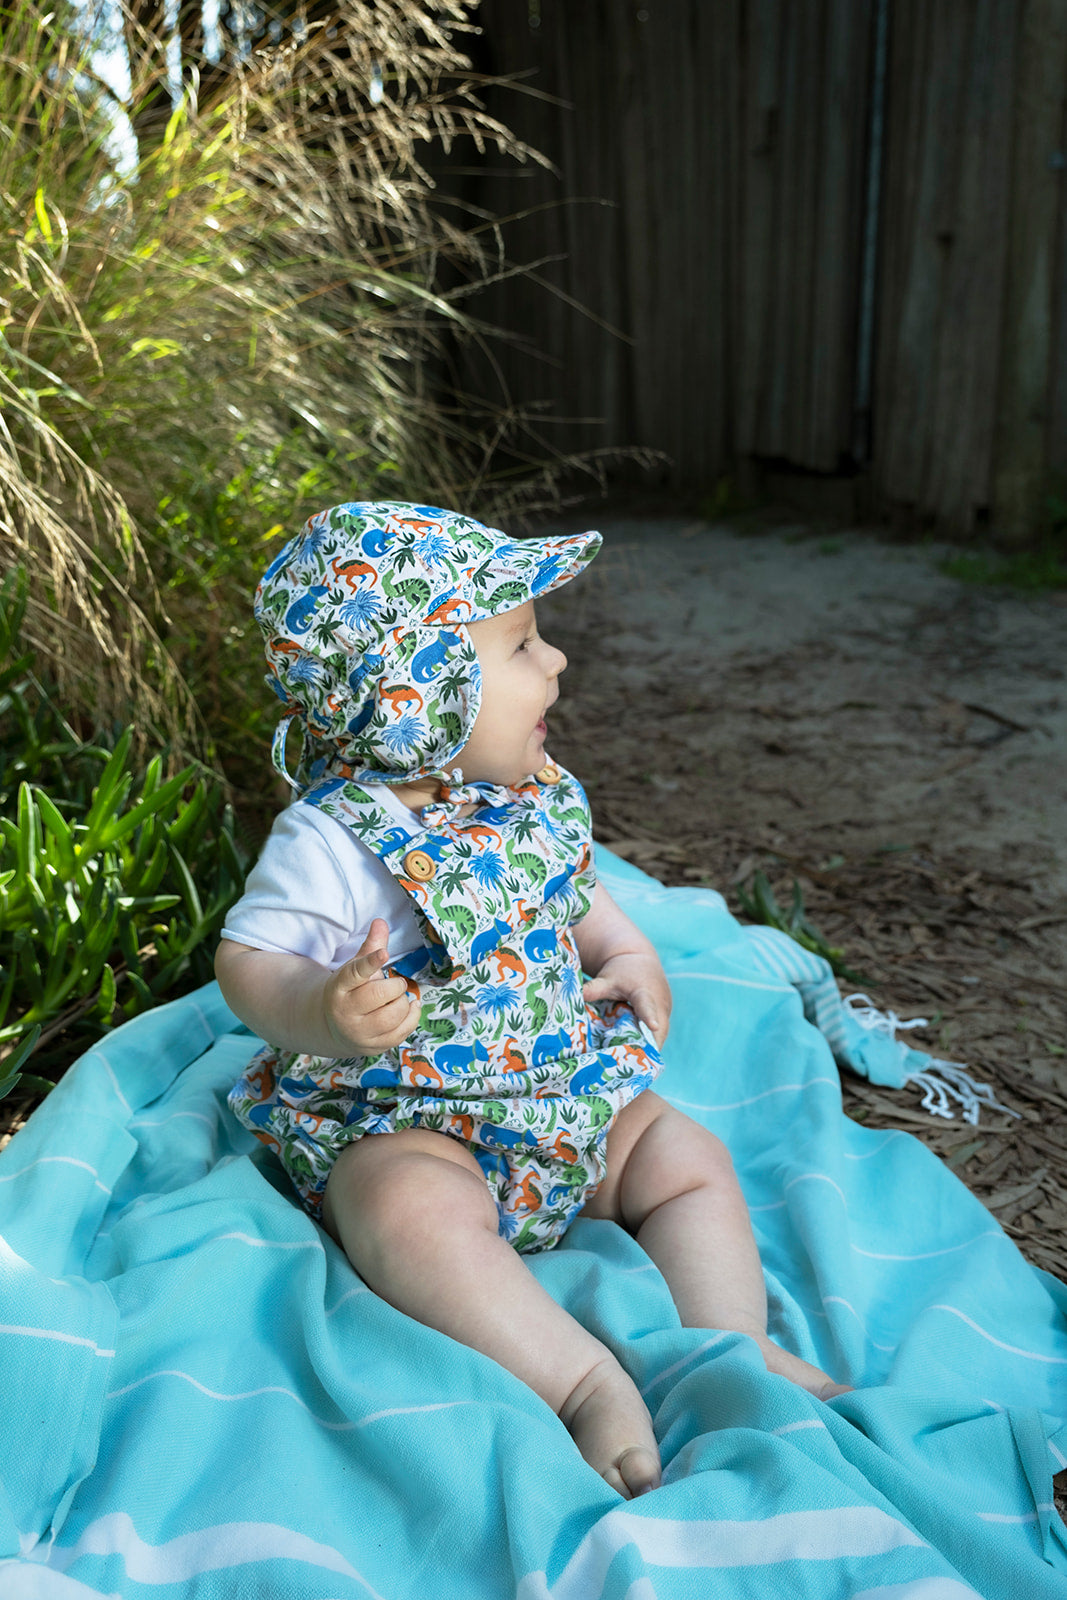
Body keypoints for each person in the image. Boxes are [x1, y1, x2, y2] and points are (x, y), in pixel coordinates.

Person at [216, 501, 849, 1500]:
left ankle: (729, 1343)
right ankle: (581, 1380)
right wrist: (321, 1007)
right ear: (412, 699)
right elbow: (249, 959)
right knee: (401, 1210)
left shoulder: (526, 791)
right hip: (411, 1118)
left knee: (684, 1158)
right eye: (518, 646)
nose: (553, 663)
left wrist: (625, 949)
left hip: (556, 1101)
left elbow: (573, 888)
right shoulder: (333, 839)